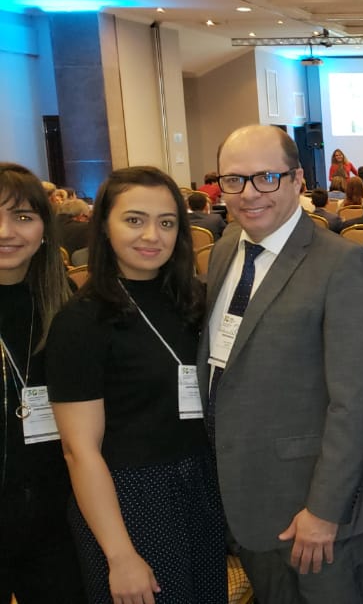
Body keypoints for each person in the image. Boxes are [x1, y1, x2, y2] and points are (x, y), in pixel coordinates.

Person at [201, 125, 363, 602]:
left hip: (316, 509)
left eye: (266, 177)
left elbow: (356, 402)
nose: (249, 194)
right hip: (248, 496)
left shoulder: (343, 264)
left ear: (297, 179)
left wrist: (324, 510)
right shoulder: (224, 250)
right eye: (233, 180)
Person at [47, 166, 226, 603]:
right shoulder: (82, 320)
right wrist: (120, 555)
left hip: (198, 486)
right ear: (104, 227)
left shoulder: (192, 301)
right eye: (134, 220)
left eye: (166, 222)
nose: (152, 236)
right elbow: (79, 450)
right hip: (129, 499)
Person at [0, 163, 84, 603]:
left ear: (45, 230)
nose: (6, 232)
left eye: (22, 217)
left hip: (56, 512)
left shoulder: (63, 300)